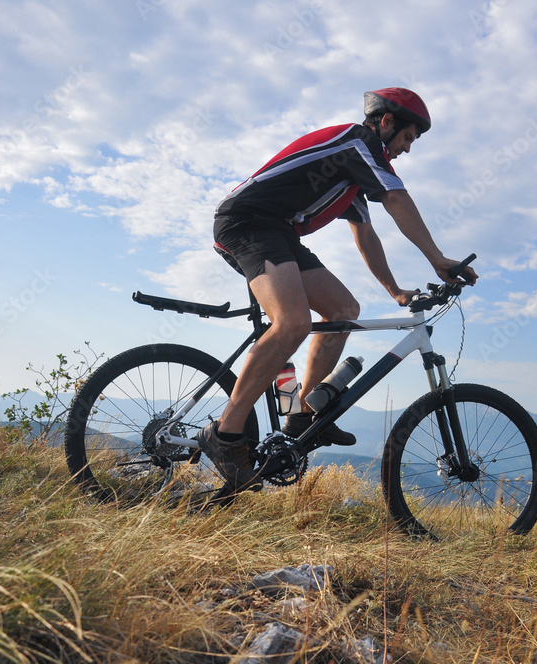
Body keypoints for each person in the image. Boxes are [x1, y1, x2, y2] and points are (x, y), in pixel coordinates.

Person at [197, 87, 478, 492]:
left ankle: (301, 415)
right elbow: (396, 198)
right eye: (407, 138)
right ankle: (225, 435)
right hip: (248, 222)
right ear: (385, 122)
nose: (407, 149)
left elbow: (366, 235)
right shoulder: (358, 143)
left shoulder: (352, 175)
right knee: (292, 323)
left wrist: (397, 291)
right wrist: (438, 258)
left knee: (344, 309)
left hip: (278, 231)